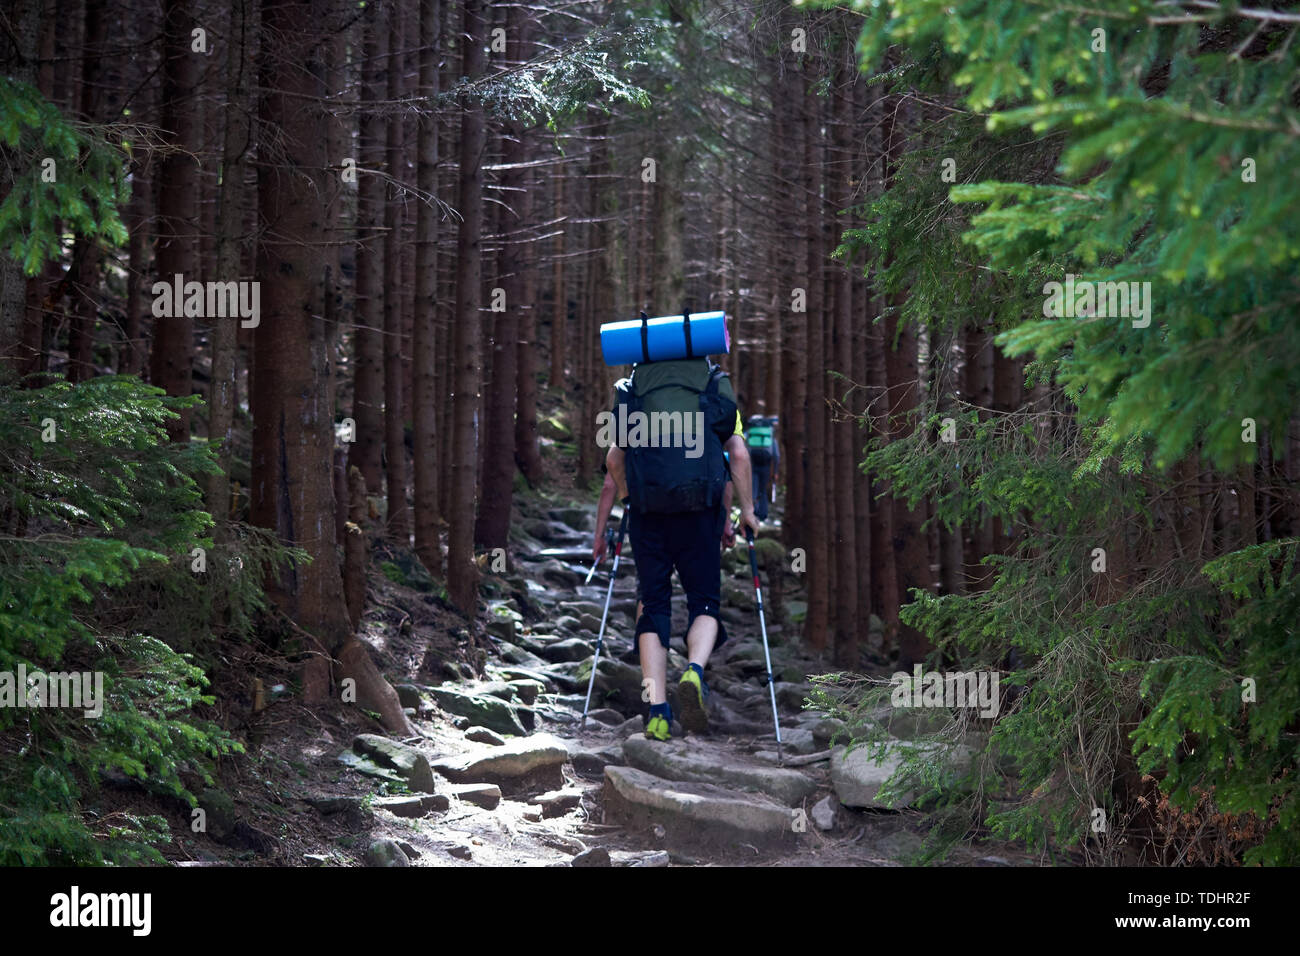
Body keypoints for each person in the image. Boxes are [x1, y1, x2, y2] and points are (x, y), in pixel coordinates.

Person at [604, 354, 758, 741]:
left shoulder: (636, 388)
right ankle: (694, 670)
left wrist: (628, 499)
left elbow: (613, 458)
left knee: (652, 603)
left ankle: (657, 711)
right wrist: (747, 511)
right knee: (703, 599)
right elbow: (737, 455)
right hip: (699, 511)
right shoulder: (712, 384)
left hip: (648, 513)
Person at [745, 415, 779, 523]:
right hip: (766, 464)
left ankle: (753, 513)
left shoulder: (749, 433)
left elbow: (744, 448)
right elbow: (776, 455)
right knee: (762, 489)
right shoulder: (769, 434)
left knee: (753, 489)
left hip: (753, 463)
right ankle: (763, 514)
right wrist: (776, 471)